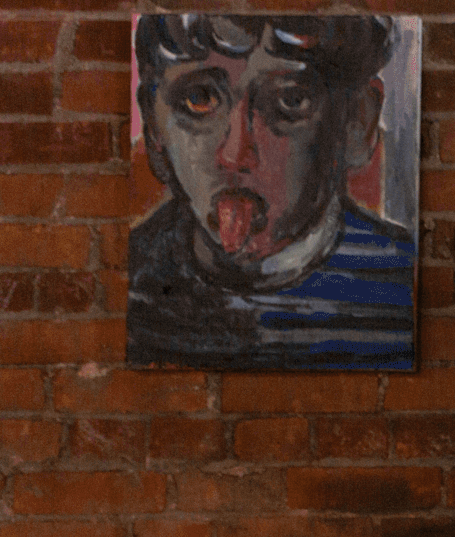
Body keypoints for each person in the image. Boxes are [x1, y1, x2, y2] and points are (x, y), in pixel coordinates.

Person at [128, 14, 415, 370]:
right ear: (154, 126)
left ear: (358, 121)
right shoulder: (129, 279)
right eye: (199, 98)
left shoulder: (404, 284)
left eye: (290, 101)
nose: (235, 155)